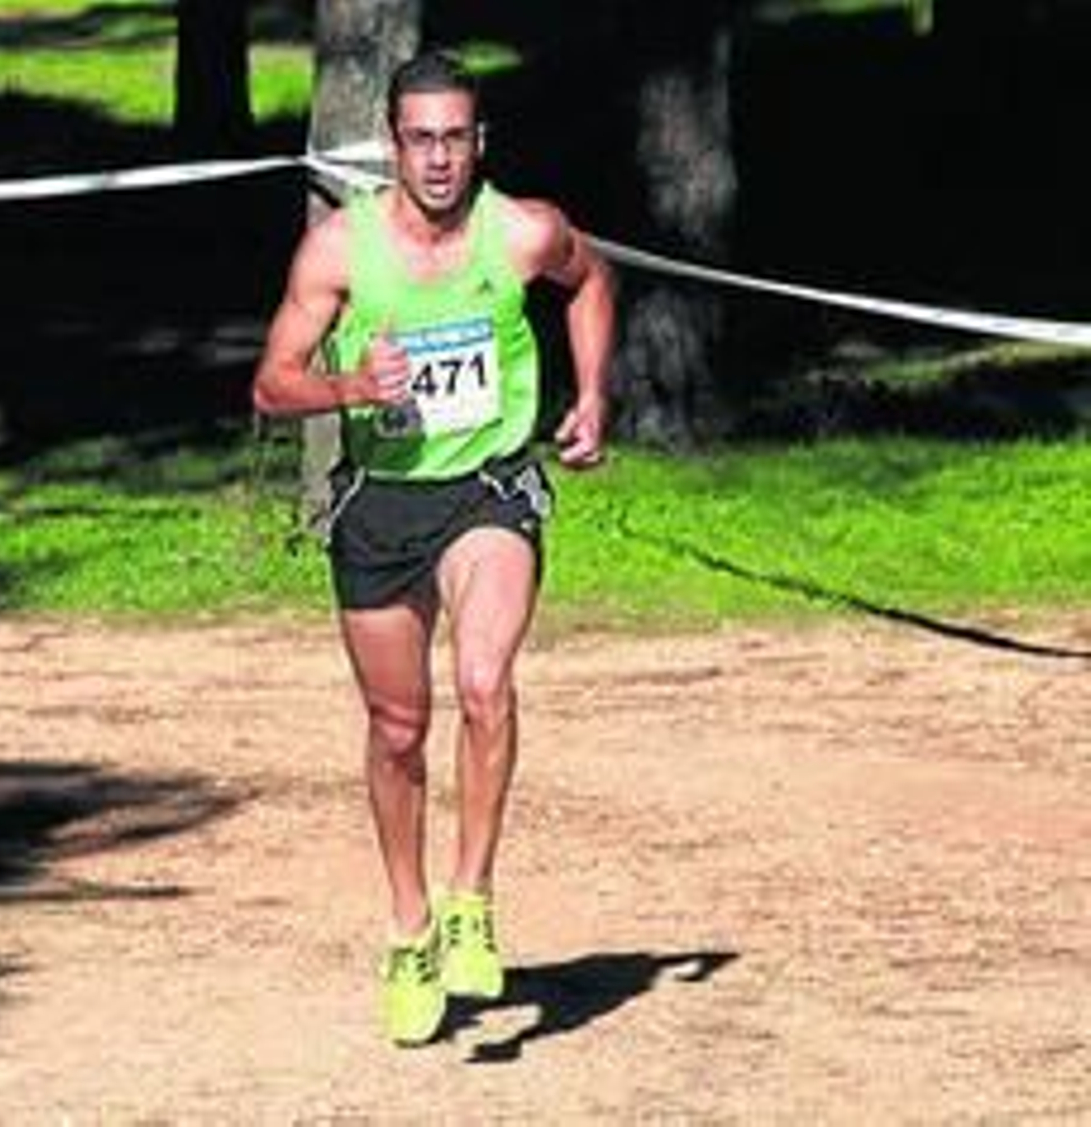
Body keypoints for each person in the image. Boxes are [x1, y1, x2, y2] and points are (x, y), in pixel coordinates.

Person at [251, 50, 616, 1046]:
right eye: (421, 140)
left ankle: (470, 897)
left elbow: (590, 281)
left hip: (490, 487)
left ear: (479, 142)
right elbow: (271, 385)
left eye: (456, 137)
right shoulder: (337, 251)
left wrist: (588, 393)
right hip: (379, 503)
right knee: (398, 728)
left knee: (485, 681)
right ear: (393, 147)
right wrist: (349, 389)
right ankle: (408, 923)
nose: (441, 159)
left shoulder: (520, 231)